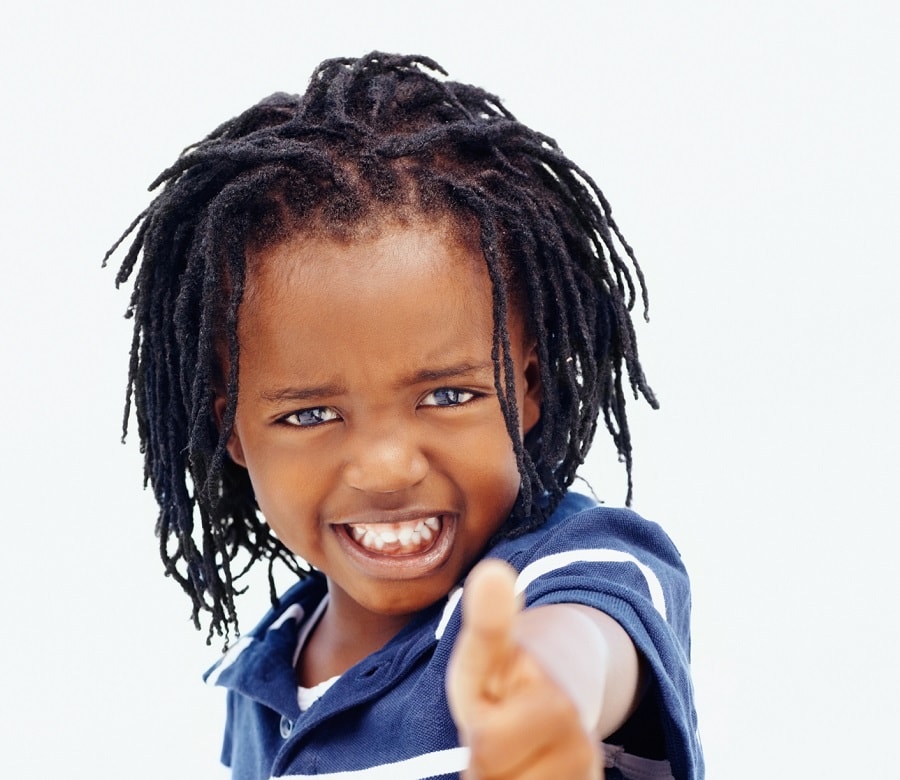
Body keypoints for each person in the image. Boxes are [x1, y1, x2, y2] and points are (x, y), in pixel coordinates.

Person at [106, 52, 703, 780]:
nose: (387, 467)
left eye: (448, 396)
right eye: (310, 414)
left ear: (530, 386)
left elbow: (590, 640)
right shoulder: (263, 677)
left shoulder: (565, 568)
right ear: (230, 429)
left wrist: (545, 695)